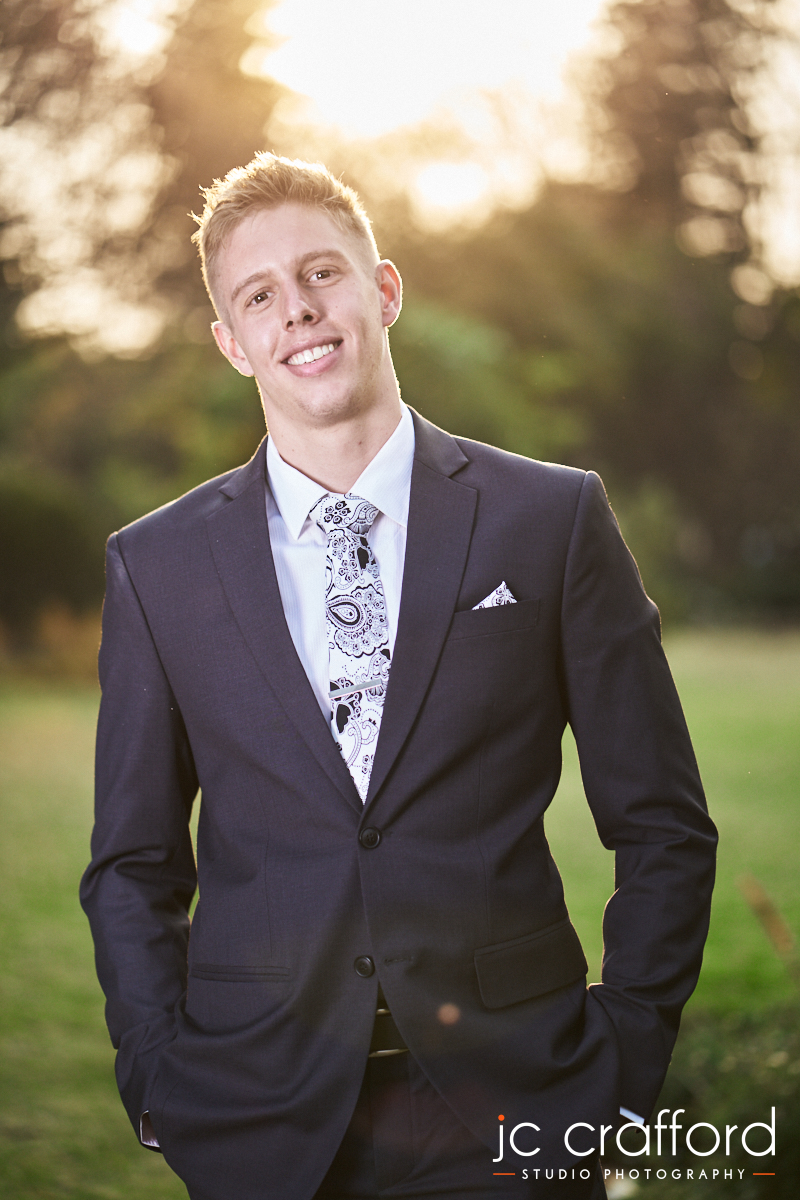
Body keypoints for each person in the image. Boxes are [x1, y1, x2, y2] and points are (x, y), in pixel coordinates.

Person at [80, 153, 717, 1200]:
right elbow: (133, 864)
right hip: (260, 1117)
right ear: (231, 342)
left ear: (383, 290)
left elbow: (662, 822)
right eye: (258, 295)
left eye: (321, 273)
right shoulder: (156, 565)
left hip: (517, 1103)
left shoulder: (550, 520)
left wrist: (627, 1049)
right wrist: (157, 1078)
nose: (297, 309)